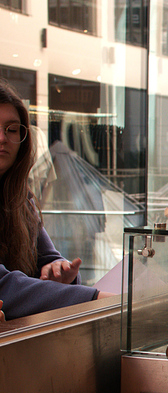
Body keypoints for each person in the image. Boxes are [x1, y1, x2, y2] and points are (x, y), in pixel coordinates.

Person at [0, 80, 108, 321]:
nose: (2, 138)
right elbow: (5, 286)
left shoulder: (22, 198)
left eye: (12, 129)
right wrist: (94, 298)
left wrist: (59, 270)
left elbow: (48, 258)